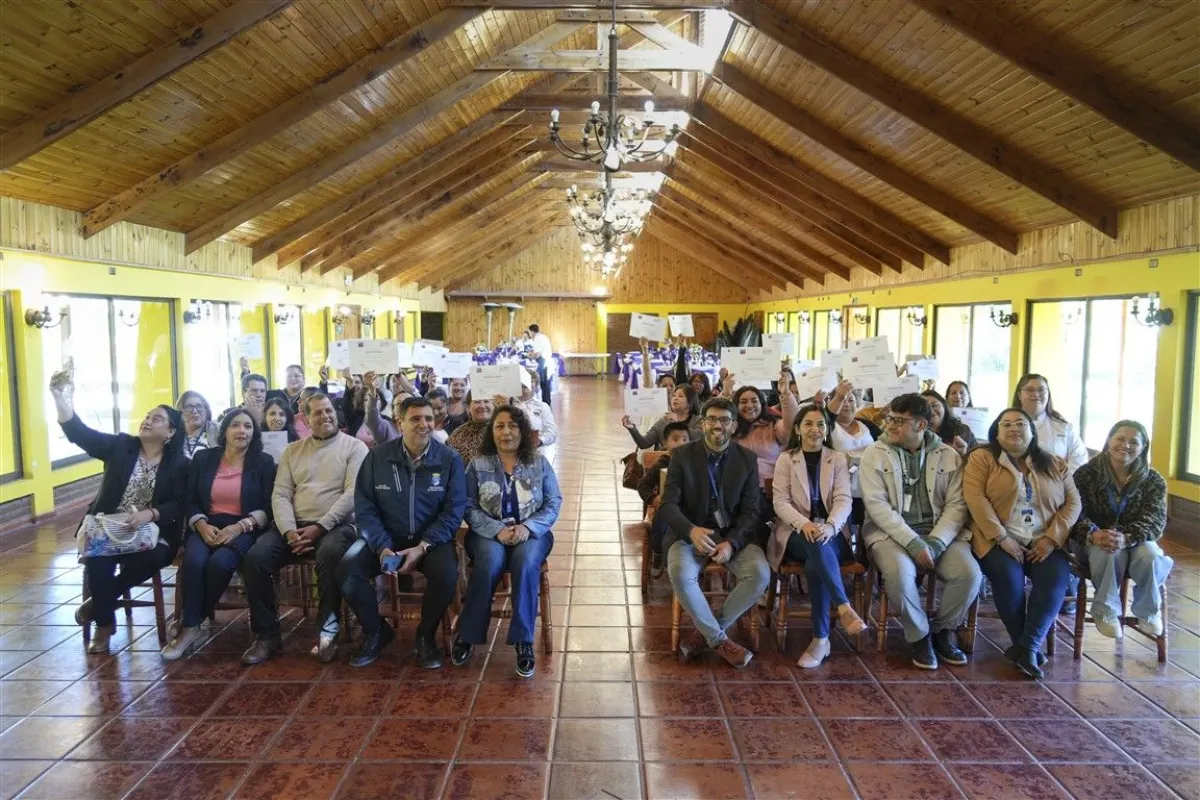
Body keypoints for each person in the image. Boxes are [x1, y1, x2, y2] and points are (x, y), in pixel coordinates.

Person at [51, 369, 186, 655]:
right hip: (108, 528)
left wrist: (150, 514)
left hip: (152, 532)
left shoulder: (179, 464)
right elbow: (79, 433)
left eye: (157, 419)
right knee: (97, 563)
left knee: (155, 557)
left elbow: (179, 504)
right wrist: (59, 397)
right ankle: (104, 626)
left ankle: (100, 601)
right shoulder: (121, 446)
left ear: (171, 432)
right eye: (147, 416)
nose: (148, 420)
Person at [240, 392, 368, 665]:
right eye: (318, 412)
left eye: (328, 410)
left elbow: (352, 494)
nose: (325, 416)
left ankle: (328, 632)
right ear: (306, 420)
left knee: (330, 555)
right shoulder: (293, 451)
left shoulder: (354, 447)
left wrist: (320, 527)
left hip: (337, 526)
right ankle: (266, 636)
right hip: (294, 526)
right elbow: (280, 494)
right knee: (255, 558)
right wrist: (289, 531)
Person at [339, 397, 466, 668]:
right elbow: (365, 507)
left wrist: (423, 546)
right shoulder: (377, 457)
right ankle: (376, 631)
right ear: (399, 423)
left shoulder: (449, 459)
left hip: (430, 540)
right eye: (415, 419)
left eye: (428, 418)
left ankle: (425, 636)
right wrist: (382, 546)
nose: (424, 424)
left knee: (446, 575)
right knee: (348, 569)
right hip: (386, 538)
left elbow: (454, 511)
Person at [860, 393, 980, 670]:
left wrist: (936, 543)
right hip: (890, 535)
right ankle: (919, 635)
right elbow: (877, 506)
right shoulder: (874, 453)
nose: (890, 425)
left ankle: (942, 630)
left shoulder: (947, 455)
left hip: (940, 534)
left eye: (899, 421)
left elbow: (956, 505)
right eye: (890, 419)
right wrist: (913, 543)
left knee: (969, 574)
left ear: (921, 425)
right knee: (899, 575)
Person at [964, 408, 1080, 679]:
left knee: (1055, 579)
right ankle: (1027, 647)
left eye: (1020, 423)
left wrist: (1052, 538)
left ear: (1032, 431)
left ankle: (1026, 647)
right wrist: (1002, 538)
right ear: (996, 432)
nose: (1014, 428)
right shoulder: (982, 458)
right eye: (1006, 424)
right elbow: (975, 498)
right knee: (1008, 578)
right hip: (998, 539)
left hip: (1044, 539)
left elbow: (1073, 503)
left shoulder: (1053, 463)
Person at [657, 397, 769, 669]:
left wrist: (732, 542)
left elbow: (752, 511)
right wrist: (691, 530)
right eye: (712, 419)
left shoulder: (747, 460)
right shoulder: (682, 456)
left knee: (760, 574)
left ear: (733, 426)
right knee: (680, 573)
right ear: (702, 424)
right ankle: (719, 640)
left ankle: (706, 634)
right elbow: (668, 504)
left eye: (724, 420)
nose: (718, 425)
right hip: (689, 535)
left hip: (732, 536)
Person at [452, 405, 561, 677]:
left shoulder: (539, 463)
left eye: (512, 425)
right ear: (492, 431)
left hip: (531, 534)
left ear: (522, 431)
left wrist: (529, 527)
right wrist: (495, 529)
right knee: (490, 561)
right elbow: (467, 504)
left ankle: (524, 641)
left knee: (525, 562)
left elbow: (553, 502)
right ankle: (468, 634)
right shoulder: (478, 464)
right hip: (488, 534)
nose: (506, 432)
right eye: (499, 426)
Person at [162, 410, 276, 660]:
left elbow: (269, 506)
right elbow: (190, 499)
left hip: (244, 527)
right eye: (235, 425)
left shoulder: (263, 462)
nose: (242, 431)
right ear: (224, 431)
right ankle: (190, 626)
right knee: (194, 562)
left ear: (254, 433)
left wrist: (241, 526)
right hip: (207, 524)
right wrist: (201, 524)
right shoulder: (204, 458)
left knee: (220, 564)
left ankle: (190, 623)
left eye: (248, 426)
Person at [771, 405, 867, 669]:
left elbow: (843, 499)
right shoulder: (786, 459)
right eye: (809, 424)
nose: (815, 429)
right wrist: (804, 524)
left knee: (816, 562)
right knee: (813, 543)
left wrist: (831, 526)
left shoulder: (837, 459)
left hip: (831, 533)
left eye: (821, 424)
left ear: (827, 430)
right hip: (795, 532)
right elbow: (780, 502)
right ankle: (843, 607)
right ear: (798, 429)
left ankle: (821, 639)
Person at [1071, 419, 1172, 639]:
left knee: (1151, 555)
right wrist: (1094, 534)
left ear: (1143, 447)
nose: (1126, 445)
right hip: (1091, 540)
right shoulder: (1085, 475)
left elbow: (1155, 521)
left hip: (1134, 539)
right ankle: (1105, 611)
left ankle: (1148, 612)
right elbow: (1074, 513)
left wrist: (1126, 538)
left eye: (1134, 442)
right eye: (1120, 439)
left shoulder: (1153, 480)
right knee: (1108, 552)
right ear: (1109, 441)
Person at [1013, 373, 1089, 614]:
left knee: (1067, 518)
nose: (1036, 394)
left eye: (1041, 390)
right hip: (1015, 496)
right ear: (1020, 394)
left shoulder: (1062, 427)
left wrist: (1058, 484)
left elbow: (1079, 458)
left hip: (1057, 498)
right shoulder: (1009, 422)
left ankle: (1063, 580)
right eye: (1030, 389)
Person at [638, 421, 692, 576]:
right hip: (667, 506)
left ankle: (692, 556)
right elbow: (643, 484)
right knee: (660, 523)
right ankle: (658, 553)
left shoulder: (695, 463)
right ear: (664, 443)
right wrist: (653, 499)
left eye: (685, 439)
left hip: (689, 508)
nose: (681, 443)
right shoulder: (662, 463)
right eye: (675, 439)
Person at [825, 380, 880, 529]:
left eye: (851, 400)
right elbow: (827, 417)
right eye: (842, 400)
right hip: (839, 488)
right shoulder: (827, 427)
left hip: (869, 487)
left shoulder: (868, 425)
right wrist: (839, 395)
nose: (847, 404)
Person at [729, 375, 798, 487]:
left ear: (762, 405)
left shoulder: (774, 425)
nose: (749, 405)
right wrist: (725, 394)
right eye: (743, 402)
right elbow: (714, 424)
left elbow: (791, 425)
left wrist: (786, 394)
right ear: (736, 406)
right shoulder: (731, 428)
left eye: (754, 401)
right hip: (738, 489)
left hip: (770, 490)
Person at [621, 385, 702, 449]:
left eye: (680, 396)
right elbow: (644, 443)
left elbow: (698, 437)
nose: (675, 398)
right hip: (666, 462)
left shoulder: (698, 420)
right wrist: (632, 428)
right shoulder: (664, 421)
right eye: (674, 395)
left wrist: (677, 422)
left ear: (690, 402)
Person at [921, 389, 976, 458]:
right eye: (925, 408)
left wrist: (963, 455)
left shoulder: (962, 430)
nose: (931, 411)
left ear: (944, 406)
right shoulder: (917, 434)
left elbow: (979, 458)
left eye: (934, 405)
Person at [447, 393, 495, 464]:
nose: (482, 406)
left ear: (494, 405)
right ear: (468, 407)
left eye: (486, 401)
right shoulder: (457, 435)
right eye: (477, 402)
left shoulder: (503, 431)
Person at [177, 390, 218, 459]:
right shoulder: (173, 434)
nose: (195, 411)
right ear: (180, 412)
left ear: (206, 410)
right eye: (189, 407)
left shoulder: (218, 430)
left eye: (199, 406)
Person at [527, 323, 554, 404]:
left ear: (532, 332)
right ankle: (547, 401)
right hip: (547, 360)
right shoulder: (544, 336)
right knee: (545, 383)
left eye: (529, 332)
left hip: (543, 361)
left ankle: (546, 402)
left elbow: (537, 354)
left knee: (543, 383)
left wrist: (529, 356)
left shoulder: (537, 339)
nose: (530, 334)